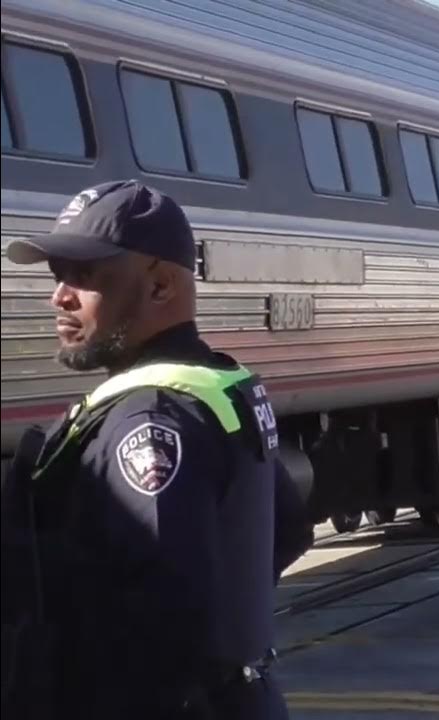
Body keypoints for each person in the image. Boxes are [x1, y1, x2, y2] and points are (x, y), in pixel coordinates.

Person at [0, 180, 314, 719]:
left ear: (162, 287)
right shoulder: (220, 386)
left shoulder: (147, 420)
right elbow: (288, 528)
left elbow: (161, 622)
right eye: (57, 276)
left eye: (85, 276)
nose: (60, 296)